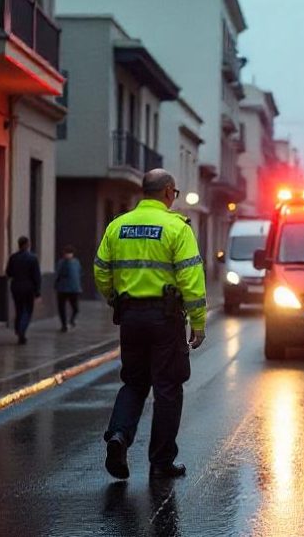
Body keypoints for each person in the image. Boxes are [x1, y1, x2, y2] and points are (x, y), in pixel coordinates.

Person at [94, 169, 207, 480]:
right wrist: (198, 322)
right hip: (165, 319)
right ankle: (161, 461)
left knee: (134, 382)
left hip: (130, 317)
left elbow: (101, 270)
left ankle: (119, 436)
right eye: (176, 193)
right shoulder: (176, 228)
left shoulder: (118, 226)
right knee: (168, 387)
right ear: (169, 191)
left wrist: (115, 300)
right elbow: (191, 280)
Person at [5, 236, 41, 345]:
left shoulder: (13, 257)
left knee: (19, 309)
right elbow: (36, 276)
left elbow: (8, 272)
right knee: (28, 310)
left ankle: (18, 328)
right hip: (29, 287)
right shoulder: (33, 258)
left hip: (16, 286)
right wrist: (38, 291)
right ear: (27, 245)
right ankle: (21, 330)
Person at [56, 245, 82, 332]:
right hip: (62, 288)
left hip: (74, 289)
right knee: (61, 308)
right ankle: (64, 325)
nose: (67, 255)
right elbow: (58, 274)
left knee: (75, 308)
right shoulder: (61, 263)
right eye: (66, 253)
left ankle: (71, 320)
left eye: (69, 253)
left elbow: (79, 273)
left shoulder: (76, 262)